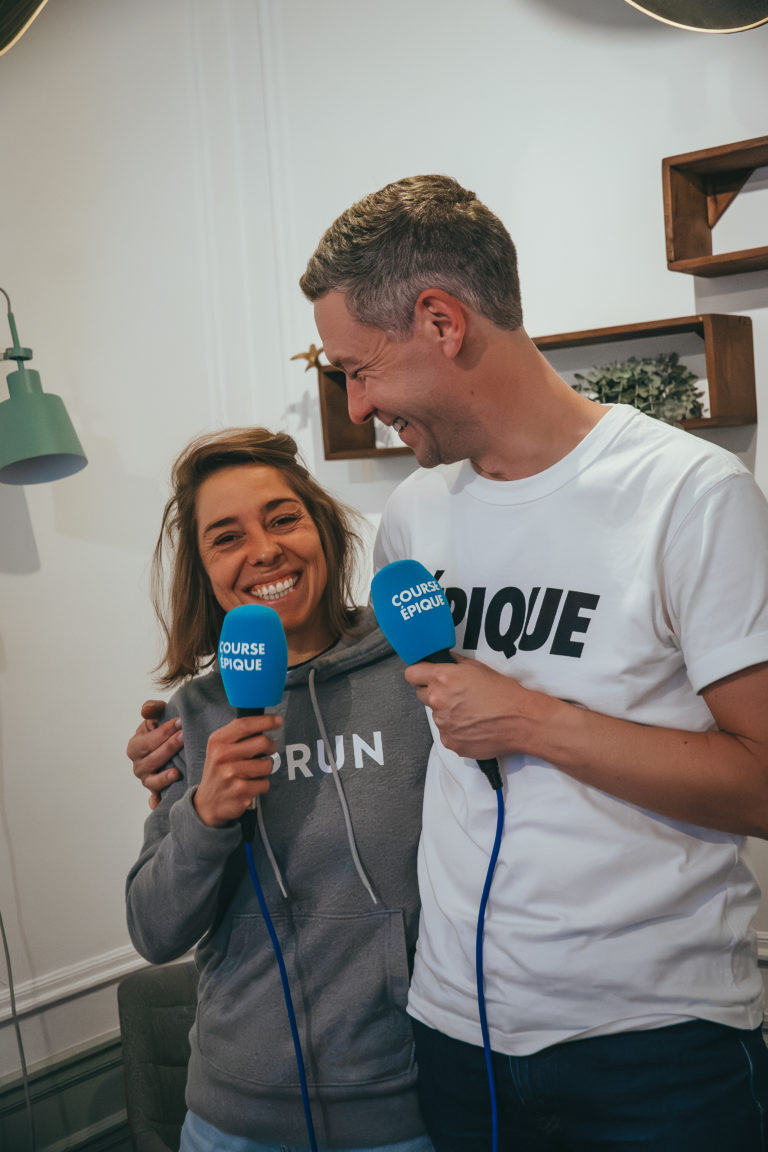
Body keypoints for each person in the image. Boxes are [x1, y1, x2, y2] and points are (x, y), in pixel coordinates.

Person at [296, 174, 768, 1151]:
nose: (358, 403)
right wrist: (205, 733)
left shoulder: (691, 495)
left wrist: (532, 720)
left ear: (441, 321)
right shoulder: (414, 518)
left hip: (660, 1048)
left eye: (359, 369)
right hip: (453, 1035)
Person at [125, 427, 434, 1152]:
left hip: (410, 1104)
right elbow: (153, 930)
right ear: (204, 569)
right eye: (226, 537)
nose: (264, 550)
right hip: (233, 1118)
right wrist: (205, 816)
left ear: (322, 526)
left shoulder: (418, 671)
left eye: (283, 518)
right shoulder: (189, 719)